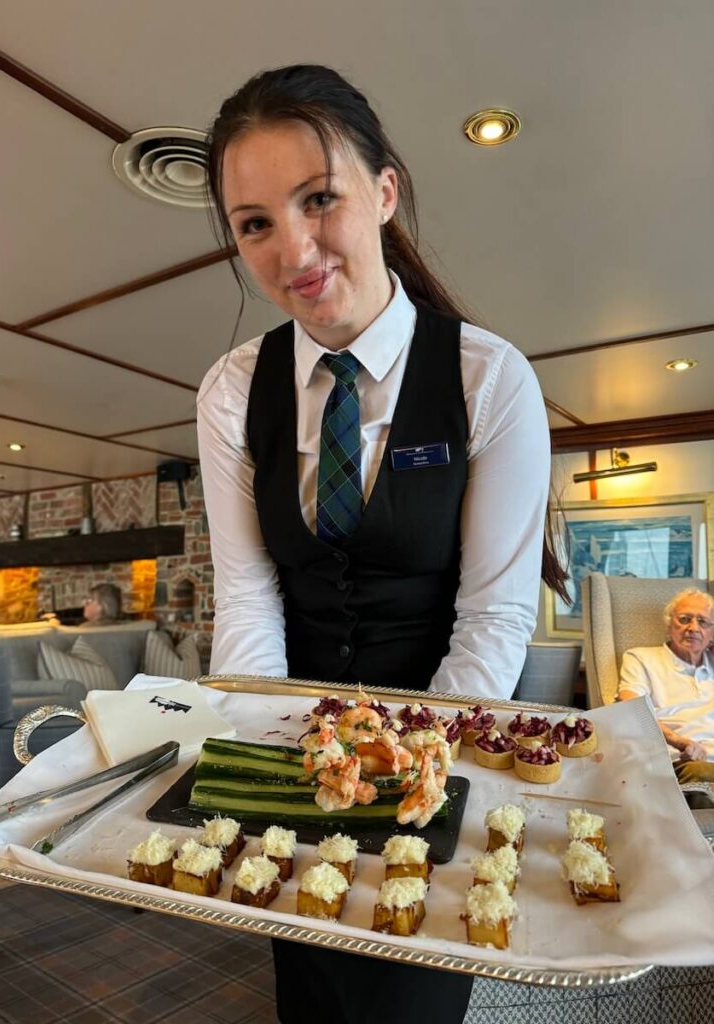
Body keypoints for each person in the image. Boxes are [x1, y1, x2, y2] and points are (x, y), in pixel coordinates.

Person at [197, 64, 566, 1024]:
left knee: (408, 985)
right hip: (296, 745)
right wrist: (281, 765)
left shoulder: (490, 378)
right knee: (308, 983)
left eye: (319, 199)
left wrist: (407, 778)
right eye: (254, 223)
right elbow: (247, 599)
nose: (294, 248)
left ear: (386, 191)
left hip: (438, 750)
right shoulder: (233, 391)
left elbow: (495, 615)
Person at [619, 588, 714, 783]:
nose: (694, 628)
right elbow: (631, 708)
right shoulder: (641, 658)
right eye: (685, 619)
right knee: (704, 775)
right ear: (669, 624)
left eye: (703, 622)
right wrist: (678, 741)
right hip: (682, 759)